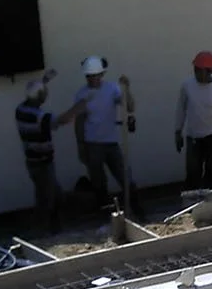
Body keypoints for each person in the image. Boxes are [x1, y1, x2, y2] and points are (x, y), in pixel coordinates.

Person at [15, 69, 85, 231]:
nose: (46, 95)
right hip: (42, 163)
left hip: (32, 161)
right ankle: (46, 229)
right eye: (44, 93)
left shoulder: (20, 110)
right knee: (47, 196)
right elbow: (61, 120)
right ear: (39, 96)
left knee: (50, 192)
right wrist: (78, 107)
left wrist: (44, 81)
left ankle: (51, 224)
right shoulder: (40, 117)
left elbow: (34, 94)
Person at [73, 55, 138, 211]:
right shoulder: (82, 94)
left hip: (111, 141)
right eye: (89, 76)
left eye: (95, 75)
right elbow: (79, 121)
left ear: (102, 74)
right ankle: (104, 211)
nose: (92, 79)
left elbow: (129, 107)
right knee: (98, 181)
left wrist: (126, 89)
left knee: (124, 175)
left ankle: (136, 207)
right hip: (92, 143)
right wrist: (80, 145)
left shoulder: (112, 89)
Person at [174, 51, 212, 190]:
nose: (197, 73)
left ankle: (210, 200)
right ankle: (193, 200)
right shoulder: (187, 86)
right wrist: (177, 132)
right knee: (192, 173)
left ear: (209, 71)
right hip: (194, 137)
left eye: (201, 70)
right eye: (196, 70)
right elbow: (181, 109)